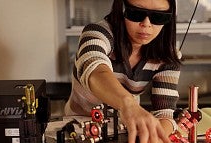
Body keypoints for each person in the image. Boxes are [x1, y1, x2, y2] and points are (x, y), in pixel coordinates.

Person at [64, 0, 181, 142]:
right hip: (79, 130)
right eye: (136, 13)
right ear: (121, 8)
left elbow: (164, 113)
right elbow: (94, 70)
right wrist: (128, 104)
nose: (146, 23)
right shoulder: (97, 33)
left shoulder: (168, 55)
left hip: (125, 132)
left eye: (159, 17)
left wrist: (155, 137)